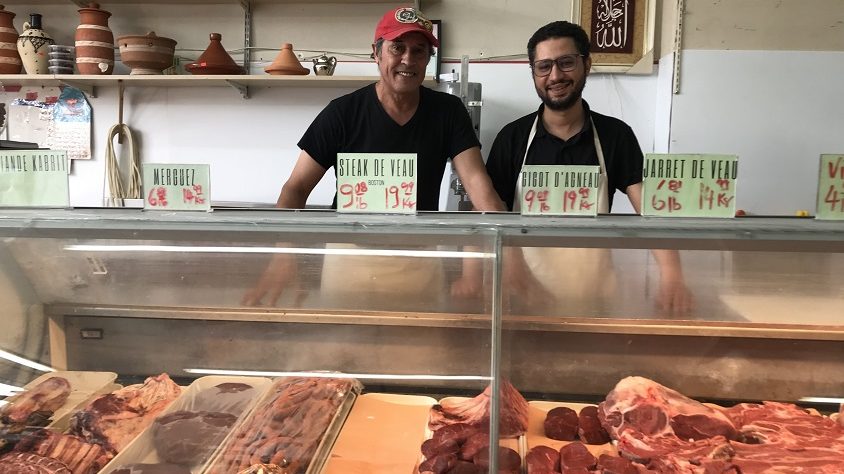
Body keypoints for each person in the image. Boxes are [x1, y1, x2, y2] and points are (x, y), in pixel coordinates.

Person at [242, 7, 506, 308]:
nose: (408, 59)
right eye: (397, 48)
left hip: (419, 261)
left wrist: (508, 259)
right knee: (346, 350)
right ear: (376, 53)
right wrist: (282, 258)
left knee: (418, 351)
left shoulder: (448, 112)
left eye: (419, 51)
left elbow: (478, 185)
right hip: (349, 260)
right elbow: (296, 189)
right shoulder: (342, 113)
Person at [484, 21, 693, 316]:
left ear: (587, 65)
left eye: (566, 63)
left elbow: (650, 208)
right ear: (533, 73)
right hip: (525, 293)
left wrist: (673, 275)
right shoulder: (513, 137)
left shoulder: (614, 135)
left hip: (594, 295)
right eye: (544, 66)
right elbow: (491, 214)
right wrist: (508, 272)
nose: (555, 76)